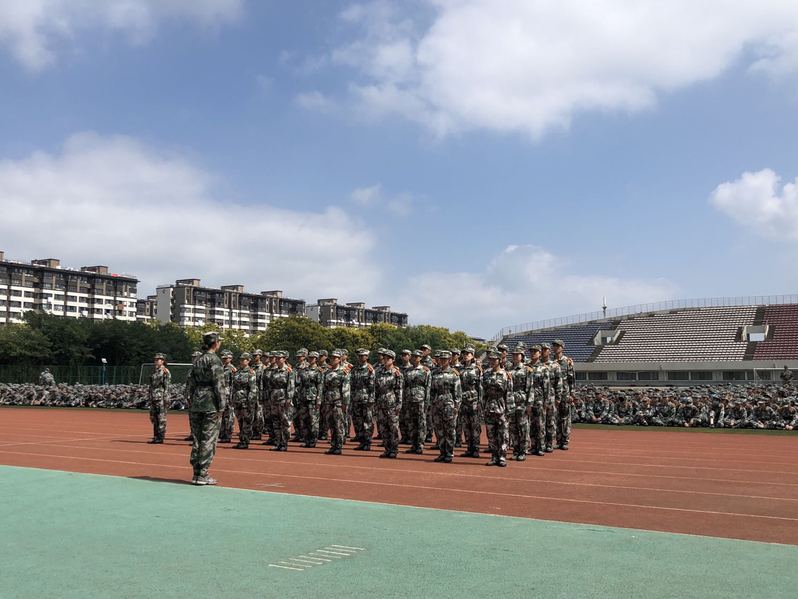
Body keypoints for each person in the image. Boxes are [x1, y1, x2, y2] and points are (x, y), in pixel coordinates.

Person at [185, 332, 226, 485]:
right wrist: (222, 405)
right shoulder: (214, 360)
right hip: (210, 402)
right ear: (215, 343)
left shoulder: (198, 360)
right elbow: (219, 384)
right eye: (219, 341)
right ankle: (203, 473)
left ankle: (196, 473)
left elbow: (191, 382)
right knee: (208, 438)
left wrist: (191, 399)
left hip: (197, 401)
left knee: (197, 438)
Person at [429, 350, 462, 463]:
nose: (442, 361)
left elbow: (457, 393)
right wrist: (431, 403)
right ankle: (442, 452)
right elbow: (431, 390)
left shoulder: (454, 374)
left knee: (450, 430)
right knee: (439, 430)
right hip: (437, 404)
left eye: (445, 359)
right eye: (441, 359)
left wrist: (456, 407)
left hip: (449, 405)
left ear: (449, 360)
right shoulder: (434, 373)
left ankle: (449, 453)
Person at [482, 350, 511, 467]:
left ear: (499, 360)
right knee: (491, 434)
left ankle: (502, 457)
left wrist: (509, 409)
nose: (492, 361)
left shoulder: (505, 375)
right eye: (491, 359)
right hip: (489, 406)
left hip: (501, 406)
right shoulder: (486, 374)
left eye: (495, 359)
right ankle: (494, 457)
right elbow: (483, 392)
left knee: (503, 434)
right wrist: (482, 406)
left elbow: (509, 393)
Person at [374, 349, 403, 458]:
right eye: (384, 358)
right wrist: (375, 403)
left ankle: (394, 450)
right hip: (381, 403)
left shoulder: (397, 374)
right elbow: (376, 389)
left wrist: (398, 405)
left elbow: (399, 391)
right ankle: (387, 449)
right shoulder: (379, 372)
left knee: (393, 428)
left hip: (392, 404)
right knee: (383, 428)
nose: (386, 360)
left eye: (388, 358)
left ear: (393, 360)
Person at [322, 350, 350, 455]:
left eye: (335, 358)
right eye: (331, 358)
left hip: (338, 402)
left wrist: (345, 403)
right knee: (331, 424)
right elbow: (324, 387)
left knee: (338, 425)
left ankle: (338, 446)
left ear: (339, 360)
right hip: (328, 401)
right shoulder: (327, 372)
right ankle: (333, 445)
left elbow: (346, 388)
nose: (333, 359)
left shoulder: (343, 372)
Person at [403, 350, 431, 454]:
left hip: (420, 400)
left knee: (421, 424)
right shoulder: (407, 371)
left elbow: (428, 387)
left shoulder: (425, 371)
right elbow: (404, 386)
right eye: (413, 356)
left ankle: (420, 445)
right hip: (409, 400)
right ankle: (413, 444)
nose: (415, 358)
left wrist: (426, 402)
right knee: (411, 423)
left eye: (417, 356)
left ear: (420, 358)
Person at [507, 344, 532, 460]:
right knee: (513, 428)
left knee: (522, 427)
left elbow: (530, 388)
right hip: (511, 402)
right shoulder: (508, 370)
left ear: (522, 356)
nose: (515, 357)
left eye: (517, 355)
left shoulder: (526, 370)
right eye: (514, 355)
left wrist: (529, 403)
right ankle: (516, 450)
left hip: (521, 402)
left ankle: (523, 450)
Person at [296, 351, 324, 447]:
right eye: (310, 357)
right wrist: (299, 397)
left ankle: (313, 440)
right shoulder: (303, 370)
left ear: (316, 359)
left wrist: (319, 399)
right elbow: (300, 384)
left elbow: (320, 386)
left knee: (313, 420)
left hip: (313, 398)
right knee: (304, 419)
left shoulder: (318, 371)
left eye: (313, 358)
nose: (311, 359)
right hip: (303, 397)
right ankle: (306, 439)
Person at [269, 350, 295, 451]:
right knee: (276, 422)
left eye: (280, 358)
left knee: (285, 422)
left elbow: (291, 386)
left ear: (284, 359)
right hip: (274, 399)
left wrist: (289, 399)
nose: (277, 360)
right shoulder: (274, 371)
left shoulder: (288, 371)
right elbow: (270, 385)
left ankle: (284, 443)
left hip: (284, 399)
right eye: (276, 358)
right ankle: (278, 442)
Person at [552, 339, 575, 450]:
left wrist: (572, 394)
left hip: (565, 393)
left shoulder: (567, 361)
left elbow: (571, 379)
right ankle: (558, 440)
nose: (556, 348)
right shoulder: (551, 362)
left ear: (562, 348)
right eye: (554, 346)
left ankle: (565, 440)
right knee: (556, 418)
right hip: (554, 394)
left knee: (565, 418)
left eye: (558, 346)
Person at [350, 348, 376, 450]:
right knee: (358, 422)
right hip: (356, 399)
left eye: (363, 356)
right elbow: (352, 385)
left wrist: (371, 400)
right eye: (359, 356)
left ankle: (367, 442)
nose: (361, 358)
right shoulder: (354, 369)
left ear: (367, 357)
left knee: (367, 422)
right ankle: (361, 442)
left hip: (366, 400)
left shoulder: (370, 369)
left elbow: (372, 386)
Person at [232, 353, 257, 449]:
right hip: (237, 400)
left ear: (248, 361)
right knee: (240, 421)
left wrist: (250, 401)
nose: (242, 361)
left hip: (246, 400)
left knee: (247, 421)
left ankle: (245, 441)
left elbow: (253, 388)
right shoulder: (237, 372)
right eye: (241, 359)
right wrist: (232, 398)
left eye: (244, 359)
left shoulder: (251, 372)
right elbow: (234, 386)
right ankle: (242, 440)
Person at [147, 353, 171, 444]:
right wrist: (150, 396)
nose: (156, 361)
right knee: (154, 417)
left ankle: (160, 437)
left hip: (161, 397)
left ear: (163, 361)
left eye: (158, 360)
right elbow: (151, 385)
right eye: (155, 360)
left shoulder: (165, 371)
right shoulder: (155, 371)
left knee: (161, 418)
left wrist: (166, 398)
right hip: (153, 396)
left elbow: (167, 386)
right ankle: (156, 436)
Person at [219, 350, 237, 442]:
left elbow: (233, 384)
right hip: (221, 393)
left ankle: (228, 434)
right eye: (223, 358)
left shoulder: (232, 369)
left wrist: (232, 396)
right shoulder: (221, 368)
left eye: (226, 358)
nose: (224, 360)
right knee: (221, 415)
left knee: (229, 415)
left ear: (230, 358)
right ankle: (222, 433)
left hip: (228, 393)